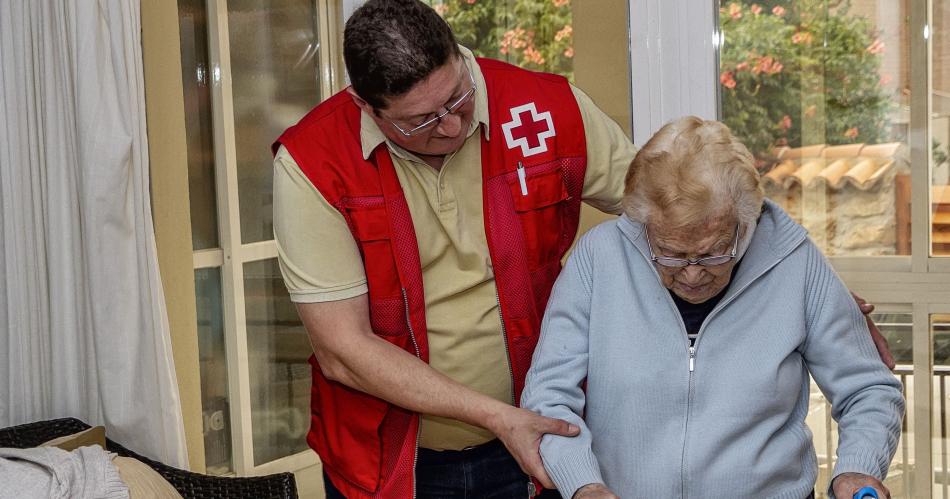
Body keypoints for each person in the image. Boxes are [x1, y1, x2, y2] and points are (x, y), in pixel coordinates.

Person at [272, 1, 892, 497]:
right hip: (394, 456)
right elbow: (344, 350)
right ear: (366, 106)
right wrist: (506, 422)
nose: (455, 127)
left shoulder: (547, 108)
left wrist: (817, 297)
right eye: (422, 121)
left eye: (459, 99)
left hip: (531, 450)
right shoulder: (314, 163)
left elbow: (676, 199)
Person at [520, 117, 905, 499]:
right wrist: (583, 485)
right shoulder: (599, 258)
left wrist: (857, 469)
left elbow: (867, 388)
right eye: (669, 254)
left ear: (747, 222)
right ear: (643, 224)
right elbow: (549, 396)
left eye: (712, 253)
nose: (691, 275)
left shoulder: (795, 263)